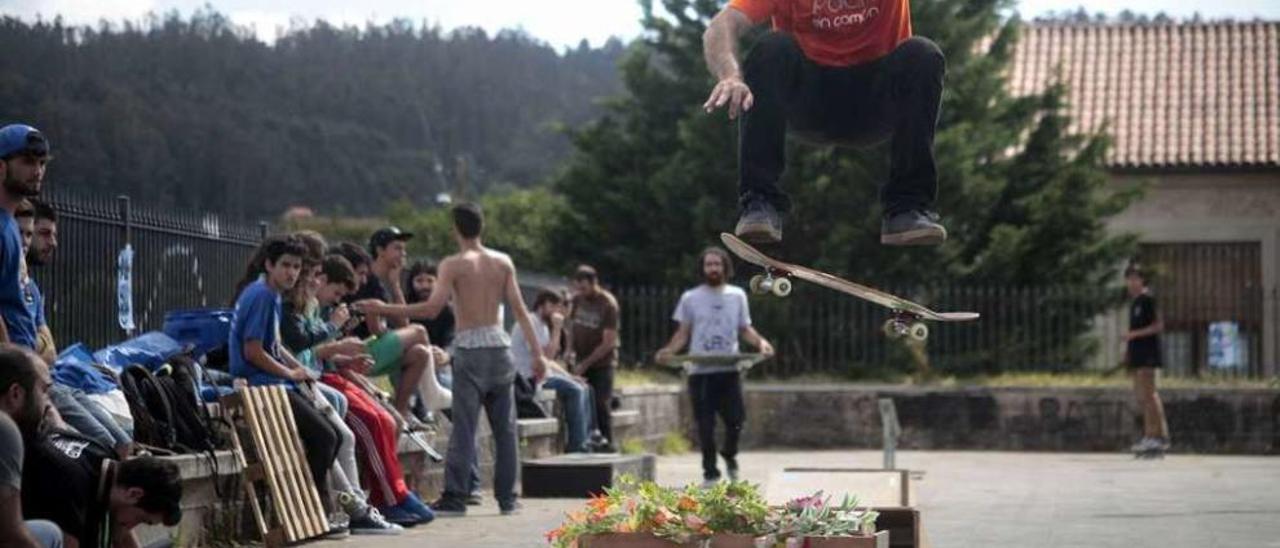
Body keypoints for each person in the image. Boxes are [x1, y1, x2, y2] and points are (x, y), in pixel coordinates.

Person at [702, 0, 948, 245]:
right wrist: (730, 76)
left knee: (923, 54)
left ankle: (907, 210)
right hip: (811, 101)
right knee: (772, 47)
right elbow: (722, 24)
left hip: (874, 103)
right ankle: (759, 202)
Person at [355, 202, 547, 517]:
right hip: (500, 349)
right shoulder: (503, 262)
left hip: (470, 349)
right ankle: (507, 499)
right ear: (481, 227)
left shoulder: (453, 265)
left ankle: (456, 497)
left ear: (456, 229)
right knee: (506, 428)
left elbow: (430, 309)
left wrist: (382, 309)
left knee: (464, 426)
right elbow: (521, 310)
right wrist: (537, 355)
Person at [281, 252, 432, 528]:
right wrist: (336, 341)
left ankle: (390, 494)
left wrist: (347, 358)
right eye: (313, 276)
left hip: (323, 378)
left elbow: (317, 353)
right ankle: (375, 502)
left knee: (387, 420)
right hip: (313, 381)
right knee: (363, 427)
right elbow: (305, 350)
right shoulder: (292, 305)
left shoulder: (313, 305)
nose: (338, 298)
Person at [4, 345, 183, 548]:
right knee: (50, 534)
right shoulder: (71, 485)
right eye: (141, 520)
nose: (47, 402)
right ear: (134, 494)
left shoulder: (102, 459)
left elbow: (121, 531)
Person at [228, 235, 345, 532]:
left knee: (329, 436)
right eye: (285, 266)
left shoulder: (271, 293)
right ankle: (311, 514)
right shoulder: (262, 296)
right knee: (326, 438)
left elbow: (276, 346)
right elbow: (252, 351)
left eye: (296, 267)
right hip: (261, 387)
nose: (292, 273)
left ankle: (312, 513)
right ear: (269, 264)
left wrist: (301, 369)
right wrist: (289, 374)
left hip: (275, 384)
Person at [657, 247, 773, 485]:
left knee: (736, 420)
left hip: (728, 370)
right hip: (701, 372)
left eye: (717, 264)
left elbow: (744, 329)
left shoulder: (737, 295)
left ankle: (729, 454)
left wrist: (761, 342)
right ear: (703, 268)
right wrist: (669, 351)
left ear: (725, 267)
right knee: (705, 425)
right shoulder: (691, 298)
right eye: (709, 264)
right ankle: (710, 472)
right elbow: (683, 332)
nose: (713, 268)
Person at [344, 228, 436, 418]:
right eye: (397, 248)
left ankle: (402, 412)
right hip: (357, 353)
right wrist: (388, 332)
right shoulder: (368, 280)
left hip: (370, 350)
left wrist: (395, 285)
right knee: (419, 331)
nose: (403, 254)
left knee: (420, 352)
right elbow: (376, 330)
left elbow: (403, 323)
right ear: (380, 250)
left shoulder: (384, 282)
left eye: (404, 250)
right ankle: (429, 396)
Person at [509, 289, 594, 453]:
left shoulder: (542, 326)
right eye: (555, 306)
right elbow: (544, 359)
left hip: (541, 376)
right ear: (545, 304)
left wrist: (570, 376)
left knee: (584, 387)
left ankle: (587, 439)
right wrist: (557, 329)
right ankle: (577, 447)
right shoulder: (531, 323)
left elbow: (548, 361)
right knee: (575, 390)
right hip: (528, 379)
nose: (558, 311)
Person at [0, 344, 64, 548]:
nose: (46, 402)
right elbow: (11, 535)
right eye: (42, 391)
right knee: (49, 533)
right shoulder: (4, 429)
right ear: (16, 393)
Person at [0, 124, 48, 348]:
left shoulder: (8, 225)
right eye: (28, 161)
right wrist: (14, 362)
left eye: (42, 163)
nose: (38, 171)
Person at [567, 265, 620, 452]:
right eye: (578, 288)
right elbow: (571, 327)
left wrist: (586, 363)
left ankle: (607, 443)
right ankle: (583, 442)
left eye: (584, 287)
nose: (581, 292)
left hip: (602, 362)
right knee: (580, 401)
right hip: (580, 359)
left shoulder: (608, 304)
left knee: (600, 403)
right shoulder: (577, 300)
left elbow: (608, 342)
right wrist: (569, 350)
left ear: (594, 283)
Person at [1123, 264, 1170, 455]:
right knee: (1142, 396)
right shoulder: (1135, 303)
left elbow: (1158, 326)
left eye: (1136, 278)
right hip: (1137, 354)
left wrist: (1134, 335)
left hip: (1149, 353)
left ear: (1143, 280)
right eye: (1129, 279)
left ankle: (1159, 437)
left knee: (1150, 395)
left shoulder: (1148, 300)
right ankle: (1149, 435)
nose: (1132, 282)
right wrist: (1128, 349)